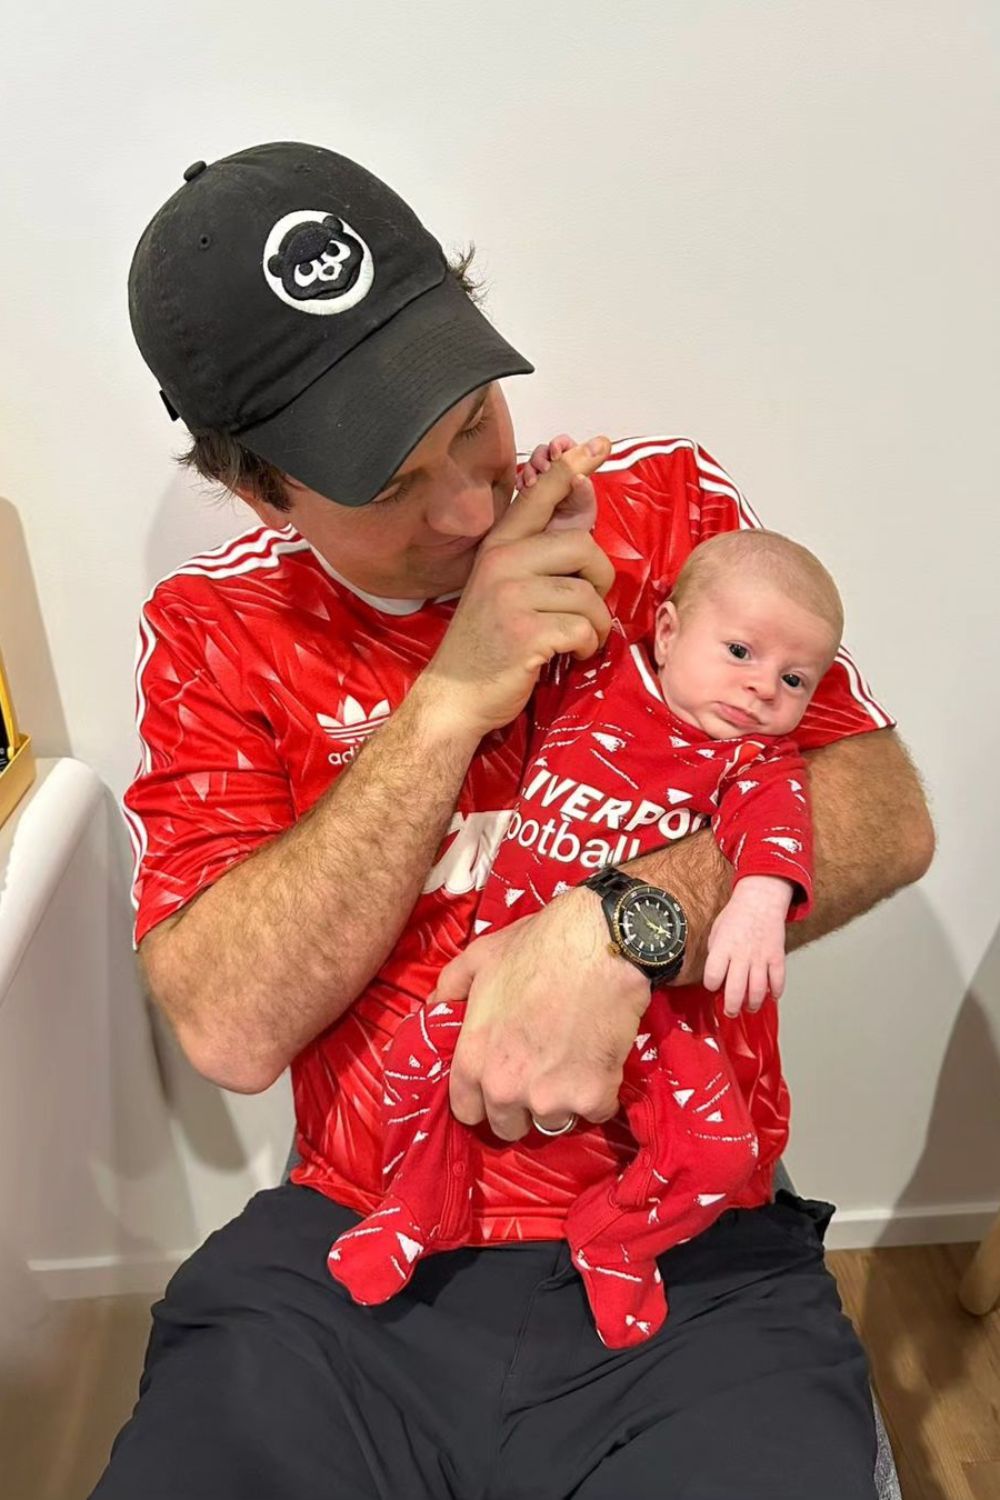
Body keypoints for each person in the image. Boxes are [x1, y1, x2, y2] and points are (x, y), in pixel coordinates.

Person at [98, 141, 934, 1498]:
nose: (476, 507)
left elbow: (884, 814)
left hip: (686, 1248)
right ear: (263, 491)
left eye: (474, 418)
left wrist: (623, 928)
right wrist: (449, 703)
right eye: (389, 485)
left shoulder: (665, 514)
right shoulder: (216, 632)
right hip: (350, 1263)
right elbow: (229, 1026)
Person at [327, 521, 843, 1352]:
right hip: (501, 983)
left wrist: (756, 901)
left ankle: (618, 1238)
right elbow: (550, 615)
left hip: (659, 1017)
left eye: (793, 678)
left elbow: (776, 832)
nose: (761, 691)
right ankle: (418, 1208)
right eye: (740, 651)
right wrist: (565, 514)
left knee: (720, 1154)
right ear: (669, 633)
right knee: (413, 1061)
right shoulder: (599, 680)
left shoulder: (756, 762)